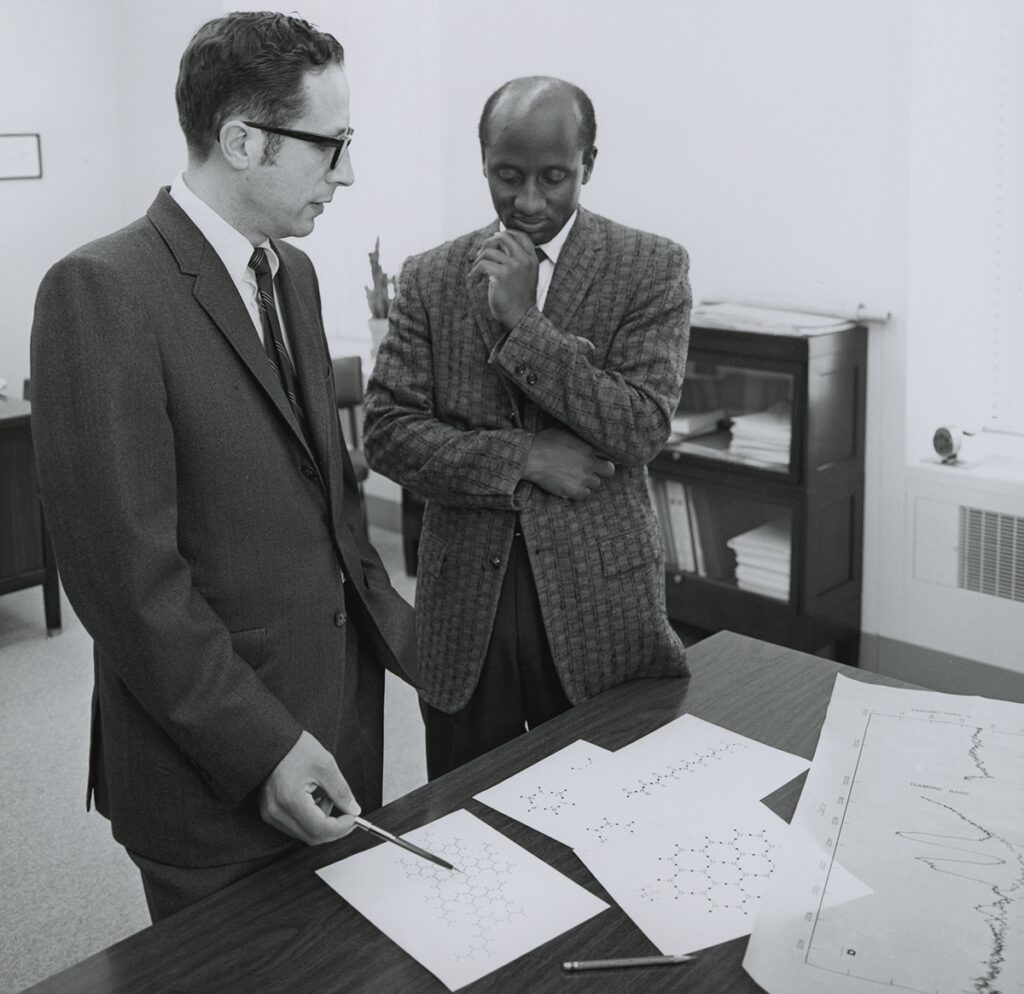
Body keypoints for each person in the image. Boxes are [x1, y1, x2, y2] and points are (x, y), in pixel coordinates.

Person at [30, 11, 417, 921]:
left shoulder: (297, 275)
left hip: (335, 727)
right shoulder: (100, 291)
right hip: (212, 765)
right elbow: (128, 582)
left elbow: (328, 502)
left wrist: (411, 645)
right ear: (243, 140)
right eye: (332, 146)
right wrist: (263, 747)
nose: (348, 172)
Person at [363, 76, 690, 780]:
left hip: (600, 598)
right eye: (508, 178)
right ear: (482, 161)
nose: (531, 202)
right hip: (465, 613)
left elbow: (640, 428)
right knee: (462, 813)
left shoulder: (652, 268)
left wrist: (524, 324)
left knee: (610, 810)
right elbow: (386, 431)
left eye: (554, 178)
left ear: (589, 165)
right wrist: (524, 456)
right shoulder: (430, 276)